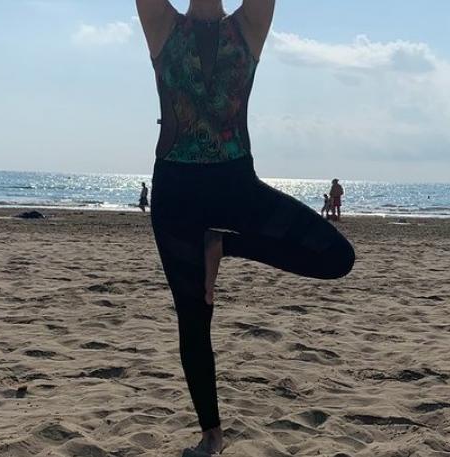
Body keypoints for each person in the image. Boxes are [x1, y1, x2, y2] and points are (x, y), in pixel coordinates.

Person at [136, 1, 355, 454]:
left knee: (337, 257)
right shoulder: (161, 25)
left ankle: (222, 245)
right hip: (175, 191)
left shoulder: (249, 26)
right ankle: (211, 436)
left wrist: (224, 243)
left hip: (236, 181)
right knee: (194, 319)